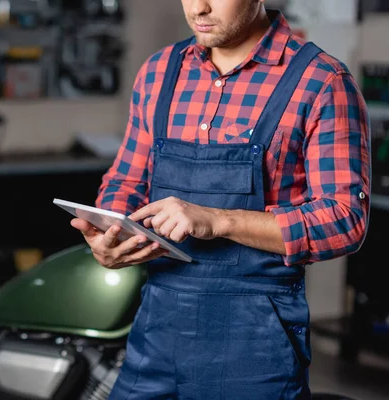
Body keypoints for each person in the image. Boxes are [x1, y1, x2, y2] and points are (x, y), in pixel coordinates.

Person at [70, 0, 371, 398]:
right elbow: (126, 181)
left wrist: (218, 220)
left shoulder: (320, 81)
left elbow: (344, 220)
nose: (200, 7)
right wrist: (111, 232)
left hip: (255, 348)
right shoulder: (159, 72)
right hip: (155, 336)